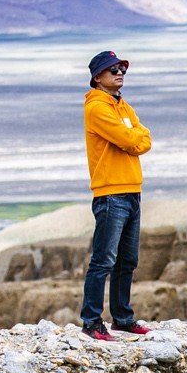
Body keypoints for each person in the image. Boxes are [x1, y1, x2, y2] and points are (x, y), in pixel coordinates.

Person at [79, 49, 153, 341]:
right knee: (103, 260)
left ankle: (122, 318)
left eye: (122, 68)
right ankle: (92, 321)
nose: (120, 72)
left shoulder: (122, 105)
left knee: (127, 260)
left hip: (132, 190)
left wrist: (136, 138)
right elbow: (130, 138)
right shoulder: (97, 108)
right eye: (113, 69)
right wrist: (135, 138)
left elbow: (144, 138)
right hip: (111, 193)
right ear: (98, 77)